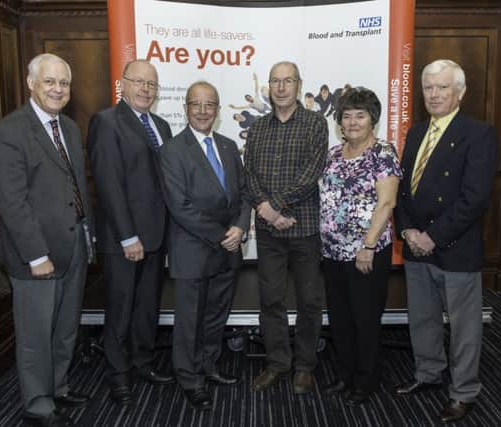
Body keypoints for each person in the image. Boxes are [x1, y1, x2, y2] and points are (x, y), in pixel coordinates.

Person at [0, 53, 93, 427]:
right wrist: (36, 256)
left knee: (65, 328)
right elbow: (12, 202)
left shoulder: (68, 128)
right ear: (30, 83)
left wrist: (87, 237)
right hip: (37, 256)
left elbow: (76, 188)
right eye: (49, 81)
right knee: (35, 334)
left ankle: (58, 387)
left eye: (64, 83)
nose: (58, 89)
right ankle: (37, 403)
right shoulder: (10, 132)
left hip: (74, 246)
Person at [394, 59, 498, 423]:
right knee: (422, 319)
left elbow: (475, 199)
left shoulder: (479, 133)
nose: (434, 94)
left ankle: (464, 391)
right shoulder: (417, 133)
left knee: (464, 327)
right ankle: (427, 374)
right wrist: (407, 231)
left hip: (454, 247)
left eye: (442, 87)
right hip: (416, 246)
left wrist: (432, 236)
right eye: (428, 87)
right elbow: (402, 191)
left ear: (461, 92)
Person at [87, 59, 174, 406]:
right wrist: (127, 237)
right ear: (123, 84)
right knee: (120, 310)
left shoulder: (162, 126)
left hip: (156, 236)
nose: (145, 89)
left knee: (146, 309)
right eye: (138, 82)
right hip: (124, 239)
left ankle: (143, 363)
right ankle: (118, 374)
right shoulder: (106, 122)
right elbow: (108, 184)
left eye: (151, 84)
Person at [161, 81, 251, 410]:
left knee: (216, 316)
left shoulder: (228, 147)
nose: (203, 111)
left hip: (228, 250)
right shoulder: (172, 150)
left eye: (209, 104)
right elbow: (179, 206)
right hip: (193, 250)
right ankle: (189, 377)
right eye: (196, 104)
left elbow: (243, 194)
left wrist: (240, 225)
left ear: (217, 109)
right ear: (185, 108)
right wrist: (222, 234)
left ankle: (209, 365)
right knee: (190, 320)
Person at [244, 61, 328, 394]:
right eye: (275, 81)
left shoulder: (315, 123)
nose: (280, 87)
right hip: (269, 233)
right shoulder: (258, 127)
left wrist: (273, 205)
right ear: (269, 86)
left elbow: (312, 171)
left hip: (304, 229)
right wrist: (267, 211)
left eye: (287, 81)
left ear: (298, 84)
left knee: (309, 301)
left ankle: (305, 366)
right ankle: (278, 363)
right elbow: (248, 173)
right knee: (271, 300)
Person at [319, 88, 401, 406]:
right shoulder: (334, 154)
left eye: (360, 115)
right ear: (339, 121)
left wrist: (367, 246)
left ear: (373, 121)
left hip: (365, 254)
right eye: (347, 115)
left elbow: (387, 202)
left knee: (364, 320)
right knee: (340, 319)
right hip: (331, 253)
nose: (352, 122)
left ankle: (365, 382)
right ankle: (345, 375)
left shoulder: (382, 154)